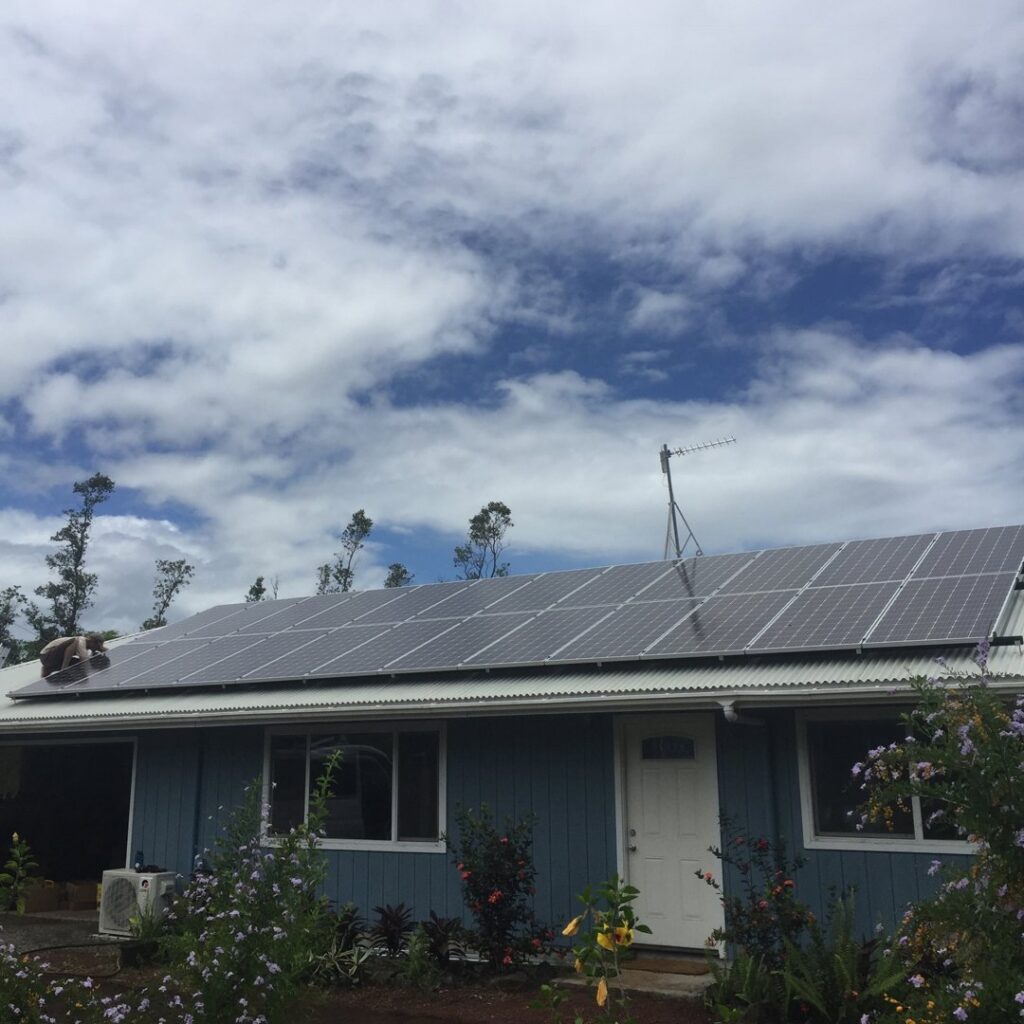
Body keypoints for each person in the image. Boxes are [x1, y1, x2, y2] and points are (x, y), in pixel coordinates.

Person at [39, 633, 107, 678]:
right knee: (74, 641)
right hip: (46, 656)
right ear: (92, 641)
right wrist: (91, 675)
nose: (96, 648)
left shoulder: (86, 646)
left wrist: (102, 649)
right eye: (97, 646)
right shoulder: (81, 641)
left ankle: (48, 669)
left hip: (53, 661)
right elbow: (84, 659)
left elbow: (84, 661)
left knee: (77, 664)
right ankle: (64, 669)